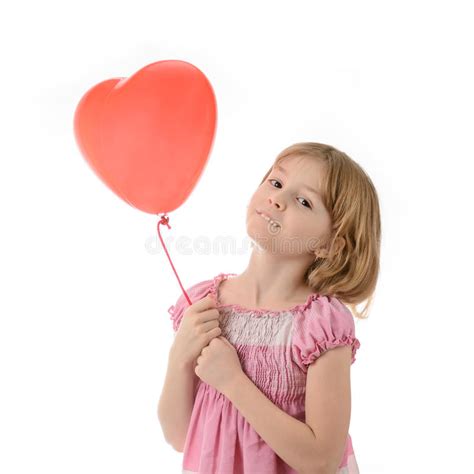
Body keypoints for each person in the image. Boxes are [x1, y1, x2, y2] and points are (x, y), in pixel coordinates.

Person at [158, 142, 381, 473]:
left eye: (304, 201)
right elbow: (179, 436)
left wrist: (233, 382)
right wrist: (179, 357)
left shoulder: (318, 326)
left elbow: (322, 460)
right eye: (276, 183)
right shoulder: (204, 305)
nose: (277, 198)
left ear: (330, 245)